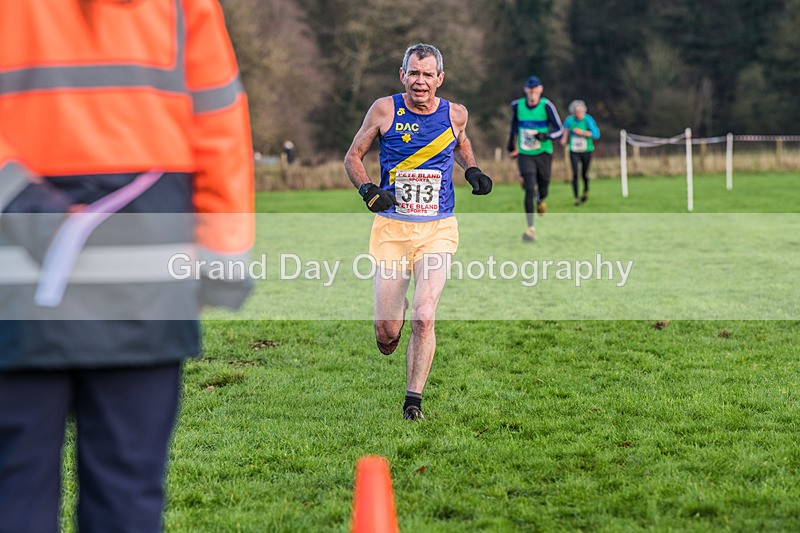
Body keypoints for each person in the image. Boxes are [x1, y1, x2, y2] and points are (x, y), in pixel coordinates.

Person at [0, 1, 254, 532]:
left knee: (13, 494)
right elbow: (218, 122)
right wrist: (225, 258)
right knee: (127, 499)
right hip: (146, 279)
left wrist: (25, 207)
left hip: (15, 282)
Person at [344, 43, 492, 421]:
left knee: (425, 317)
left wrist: (471, 168)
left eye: (428, 74)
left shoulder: (456, 114)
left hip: (438, 229)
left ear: (440, 79)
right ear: (402, 75)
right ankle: (395, 311)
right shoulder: (384, 109)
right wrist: (367, 191)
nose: (420, 82)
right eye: (414, 73)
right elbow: (352, 156)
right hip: (393, 229)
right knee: (387, 334)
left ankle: (413, 402)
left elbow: (459, 141)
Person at [507, 75, 564, 242]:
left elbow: (559, 129)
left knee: (544, 184)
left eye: (535, 89)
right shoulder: (518, 106)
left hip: (543, 152)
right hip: (525, 154)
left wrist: (546, 135)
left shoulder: (547, 106)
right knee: (529, 188)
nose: (532, 92)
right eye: (529, 89)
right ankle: (530, 228)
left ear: (540, 90)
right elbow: (513, 127)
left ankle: (542, 198)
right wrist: (511, 146)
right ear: (525, 90)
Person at [561, 100, 601, 205]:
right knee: (575, 174)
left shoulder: (588, 120)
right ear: (573, 112)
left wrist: (583, 132)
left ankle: (586, 189)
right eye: (577, 112)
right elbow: (565, 131)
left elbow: (596, 134)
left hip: (586, 150)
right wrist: (564, 139)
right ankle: (576, 198)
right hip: (574, 150)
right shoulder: (569, 120)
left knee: (584, 173)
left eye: (581, 111)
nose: (579, 114)